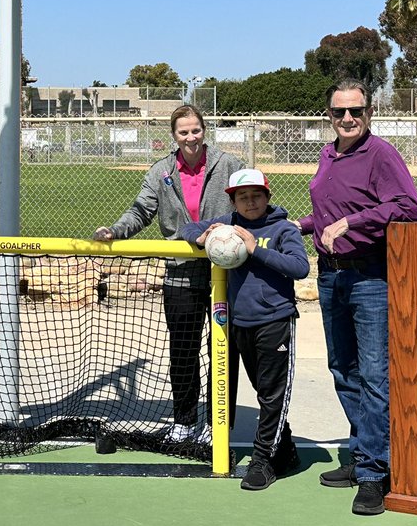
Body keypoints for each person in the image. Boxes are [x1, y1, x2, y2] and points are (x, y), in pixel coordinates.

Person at [297, 79, 417, 516]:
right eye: (339, 112)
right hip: (330, 277)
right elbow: (330, 212)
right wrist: (305, 225)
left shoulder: (381, 154)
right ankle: (362, 452)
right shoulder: (329, 154)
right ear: (328, 116)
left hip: (370, 276)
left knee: (374, 376)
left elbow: (409, 208)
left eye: (356, 111)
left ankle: (375, 473)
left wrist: (352, 223)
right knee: (343, 369)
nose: (348, 119)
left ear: (369, 113)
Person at [93, 104, 245, 443]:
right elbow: (142, 210)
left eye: (196, 130)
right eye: (183, 132)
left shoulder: (229, 165)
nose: (191, 137)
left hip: (226, 273)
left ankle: (221, 422)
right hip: (180, 274)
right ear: (173, 135)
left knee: (224, 347)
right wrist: (115, 231)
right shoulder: (161, 171)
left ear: (204, 130)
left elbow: (251, 204)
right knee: (183, 349)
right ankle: (185, 420)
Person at [177, 168, 309, 490]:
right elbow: (187, 228)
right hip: (240, 323)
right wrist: (202, 236)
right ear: (234, 201)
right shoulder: (228, 224)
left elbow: (300, 267)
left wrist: (255, 250)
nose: (250, 202)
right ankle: (285, 449)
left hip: (275, 321)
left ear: (267, 196)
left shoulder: (281, 229)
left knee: (273, 395)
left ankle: (263, 461)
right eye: (242, 197)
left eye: (256, 195)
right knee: (265, 394)